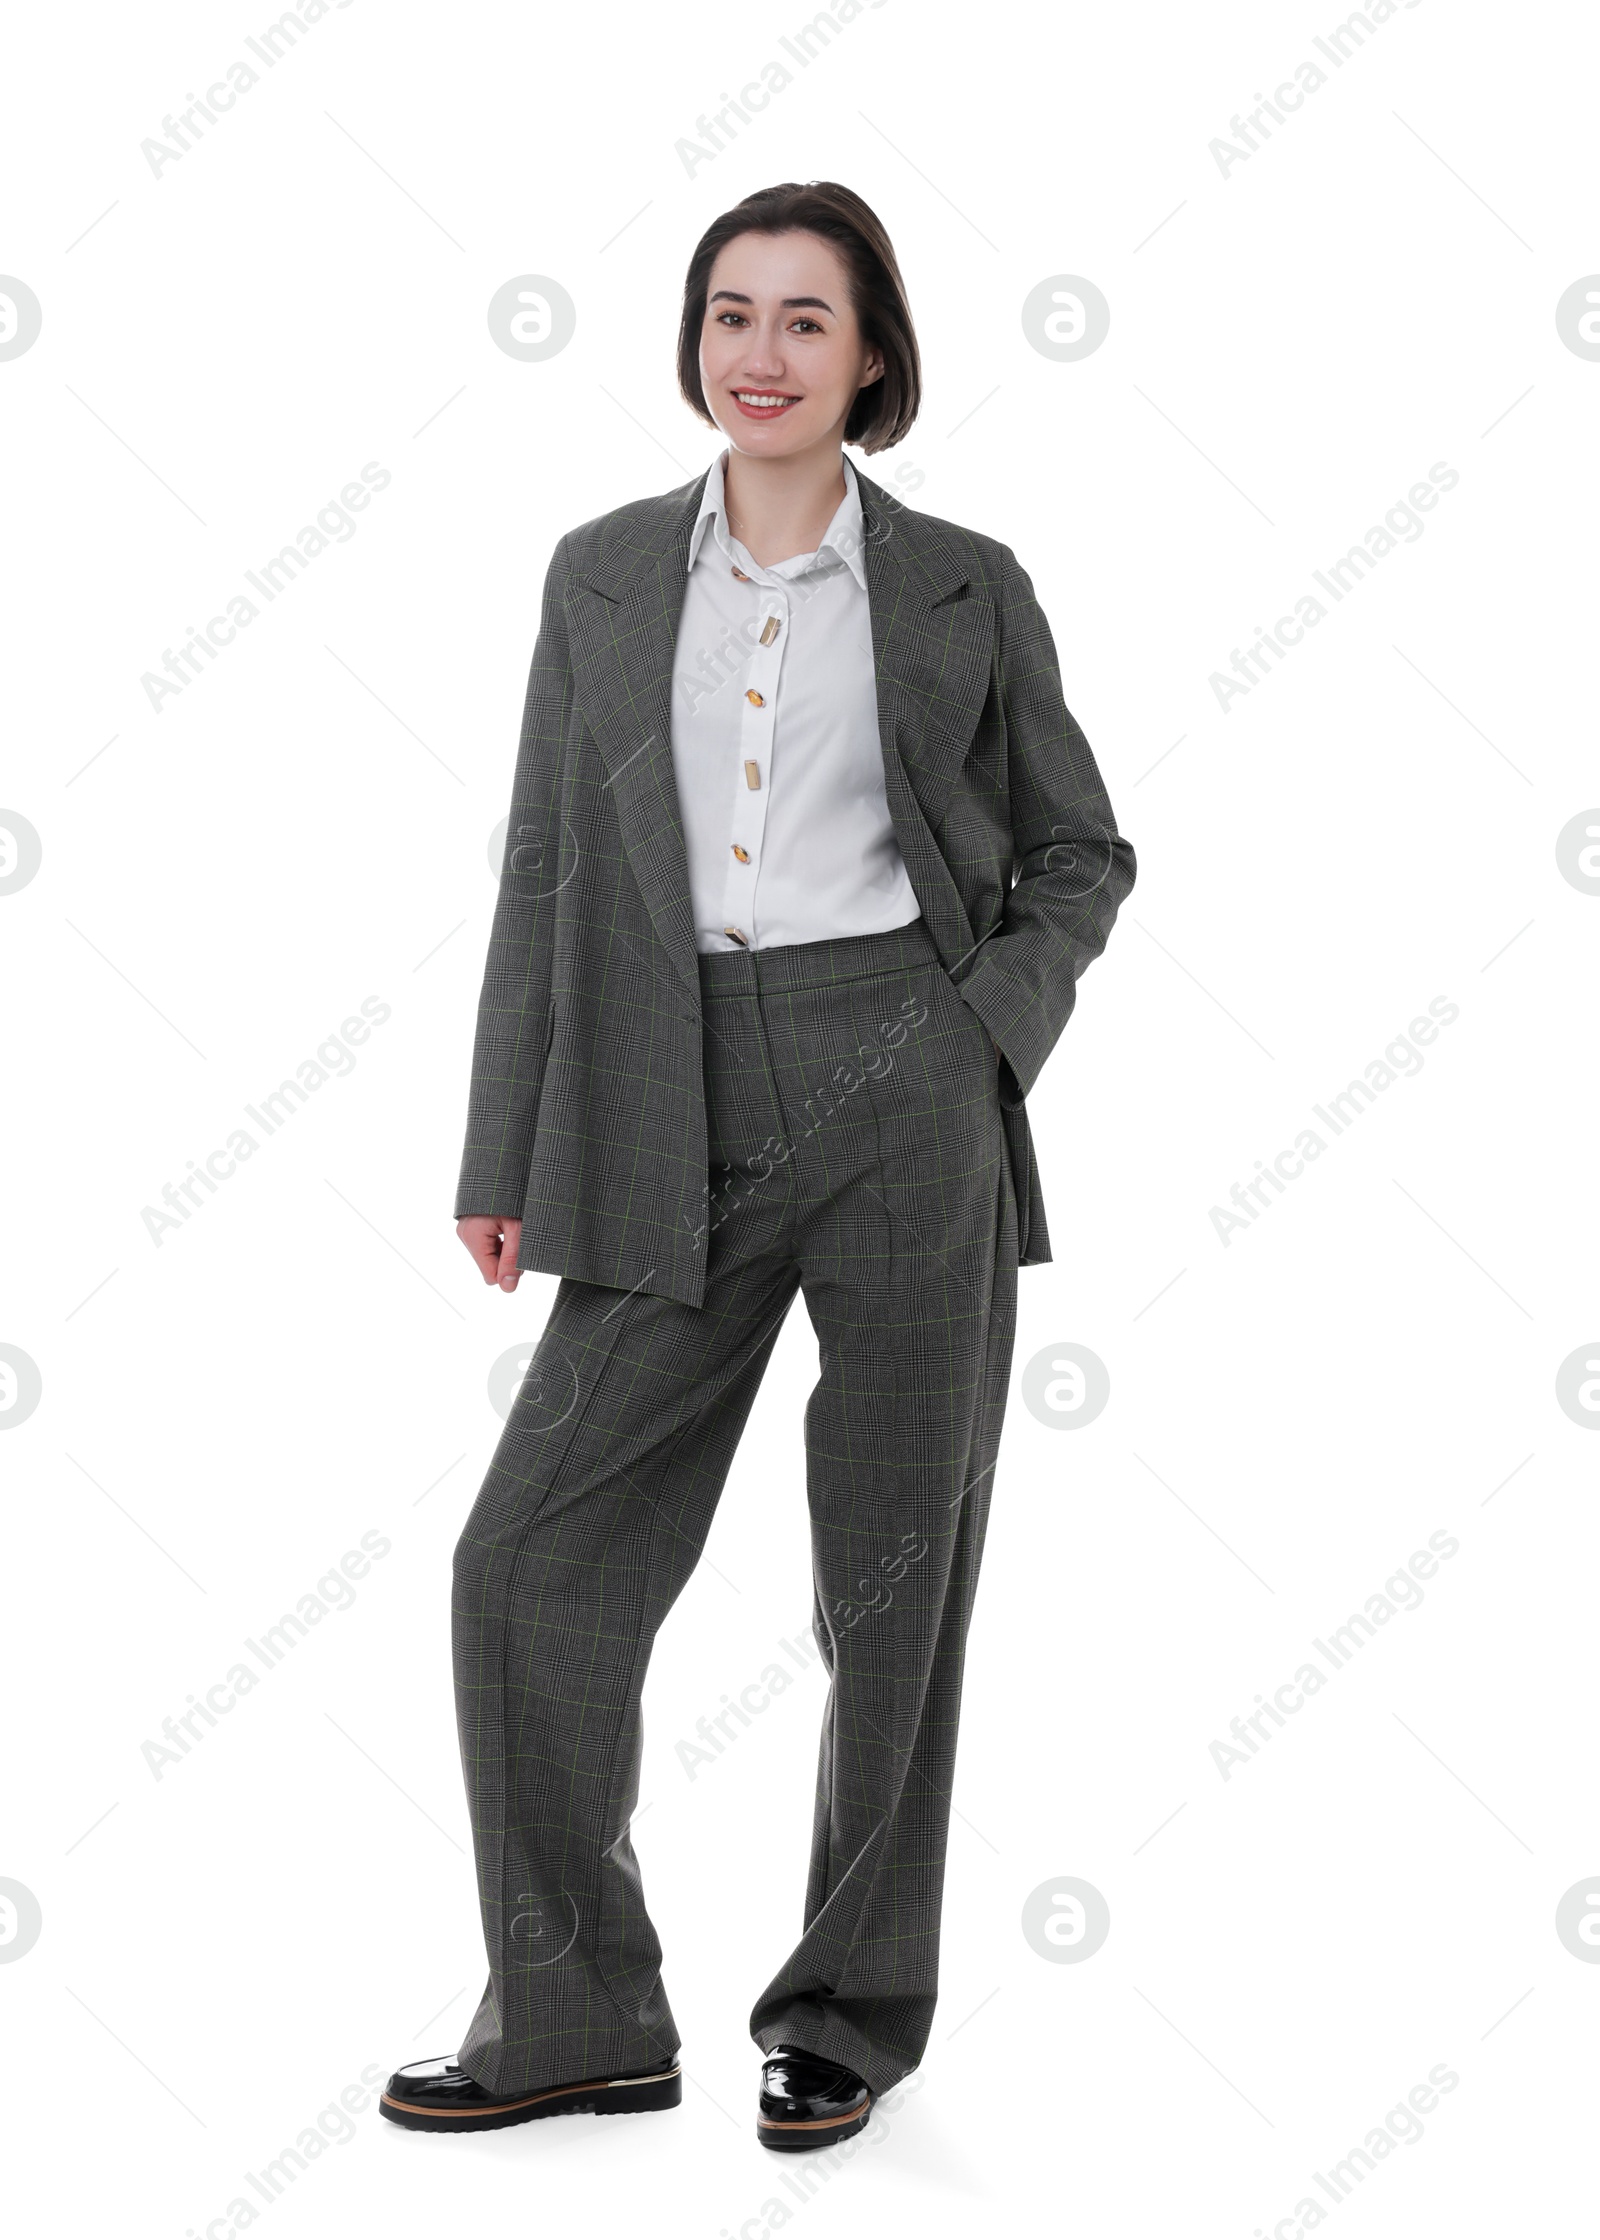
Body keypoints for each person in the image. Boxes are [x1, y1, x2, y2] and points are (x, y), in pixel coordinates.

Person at [379, 179, 1136, 2152]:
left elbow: (1079, 849)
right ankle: (573, 2010)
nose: (761, 352)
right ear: (693, 337)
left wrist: (981, 1032)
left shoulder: (964, 580)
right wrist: (500, 1138)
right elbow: (548, 866)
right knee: (527, 1555)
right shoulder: (606, 576)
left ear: (869, 354)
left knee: (891, 1580)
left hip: (905, 1077)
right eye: (732, 311)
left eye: (807, 319)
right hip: (656, 1093)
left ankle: (846, 2014)